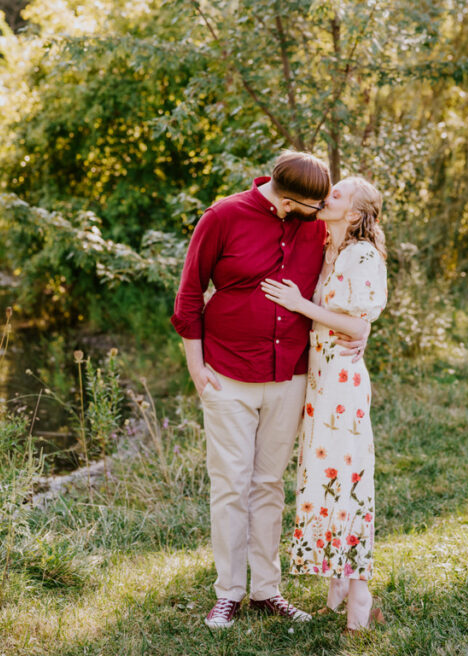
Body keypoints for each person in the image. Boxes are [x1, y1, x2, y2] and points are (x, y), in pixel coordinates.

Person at [171, 151, 367, 629]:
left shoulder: (314, 220)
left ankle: (267, 590)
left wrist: (357, 329)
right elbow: (190, 295)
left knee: (267, 485)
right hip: (227, 376)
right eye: (308, 207)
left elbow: (353, 276)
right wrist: (197, 369)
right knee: (231, 486)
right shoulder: (222, 217)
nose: (317, 213)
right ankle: (228, 593)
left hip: (290, 376)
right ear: (284, 201)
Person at [261, 176, 387, 632]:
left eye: (336, 195)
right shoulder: (333, 248)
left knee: (348, 480)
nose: (326, 197)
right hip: (322, 379)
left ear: (354, 213)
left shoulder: (361, 254)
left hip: (342, 386)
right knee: (324, 478)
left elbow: (356, 326)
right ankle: (338, 576)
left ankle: (359, 593)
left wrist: (298, 304)